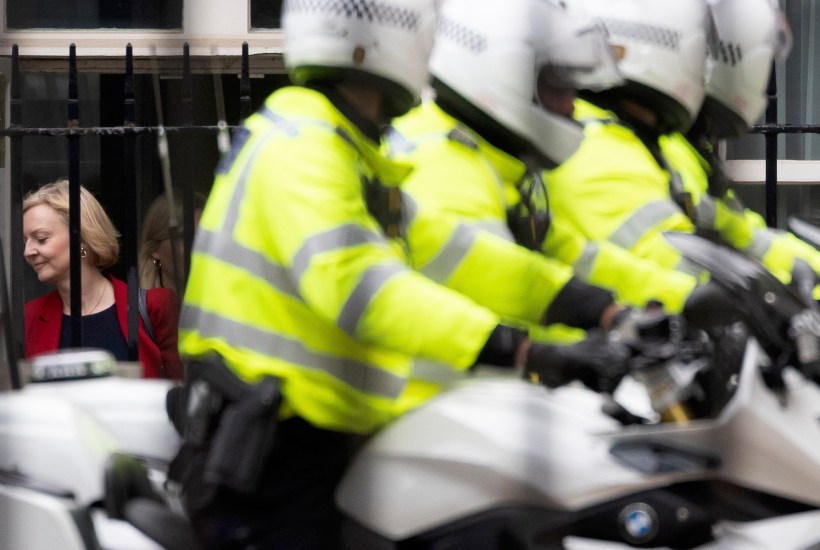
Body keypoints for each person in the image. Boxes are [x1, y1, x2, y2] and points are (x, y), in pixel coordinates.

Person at [167, 0, 633, 548]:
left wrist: (596, 306)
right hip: (273, 459)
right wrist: (522, 349)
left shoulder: (344, 146)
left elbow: (459, 253)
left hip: (324, 442)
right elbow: (362, 288)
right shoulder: (303, 147)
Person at [385, 0, 723, 340]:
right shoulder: (446, 168)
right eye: (556, 87)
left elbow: (579, 258)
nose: (571, 105)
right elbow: (502, 309)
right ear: (504, 73)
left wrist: (689, 297)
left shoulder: (496, 164)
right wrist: (601, 346)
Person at [547, 0, 820, 294]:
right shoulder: (598, 149)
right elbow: (673, 264)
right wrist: (769, 298)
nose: (708, 65)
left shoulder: (651, 143)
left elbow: (739, 233)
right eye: (703, 50)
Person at [23, 179, 183, 379]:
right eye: (25, 241)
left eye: (41, 239)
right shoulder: (30, 316)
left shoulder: (155, 307)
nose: (27, 251)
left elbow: (179, 388)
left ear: (81, 239)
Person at [138, 189, 206, 292]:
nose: (197, 247)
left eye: (204, 237)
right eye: (184, 237)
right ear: (154, 249)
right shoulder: (133, 302)